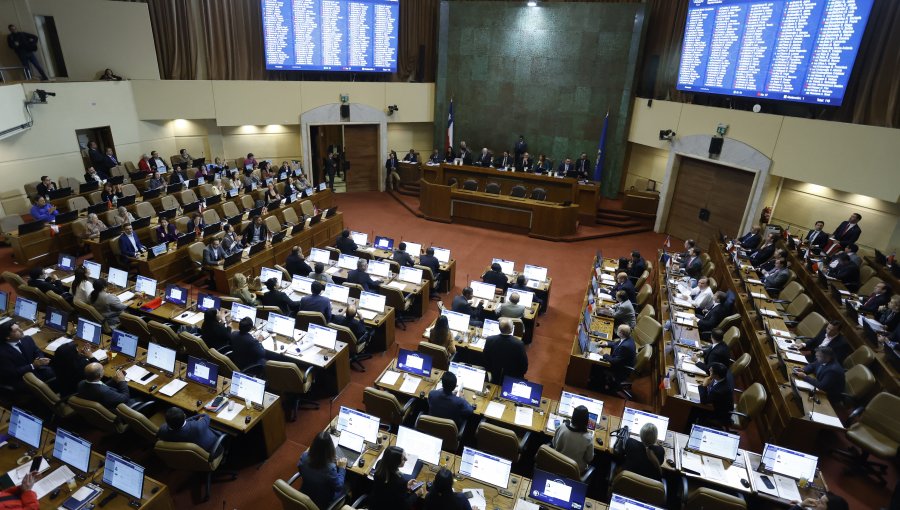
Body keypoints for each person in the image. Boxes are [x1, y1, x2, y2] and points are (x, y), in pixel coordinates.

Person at [297, 431, 347, 510]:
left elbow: (300, 469)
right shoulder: (330, 468)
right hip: (323, 501)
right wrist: (342, 468)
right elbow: (339, 487)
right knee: (347, 486)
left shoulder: (304, 456)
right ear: (330, 448)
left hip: (306, 491)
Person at [0, 322, 53, 391]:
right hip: (21, 379)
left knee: (55, 372)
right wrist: (33, 365)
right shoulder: (2, 353)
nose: (21, 330)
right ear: (8, 337)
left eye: (19, 327)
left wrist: (41, 359)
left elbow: (37, 351)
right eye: (16, 330)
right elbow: (13, 373)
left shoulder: (27, 339)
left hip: (36, 369)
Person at [368, 446, 421, 510]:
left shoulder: (380, 464)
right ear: (395, 463)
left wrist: (405, 486)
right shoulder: (400, 481)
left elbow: (390, 487)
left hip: (375, 504)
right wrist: (416, 494)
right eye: (403, 459)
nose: (406, 459)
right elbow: (404, 506)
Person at [551, 405, 594, 473]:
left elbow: (554, 443)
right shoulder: (588, 438)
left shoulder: (562, 427)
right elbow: (589, 459)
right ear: (587, 421)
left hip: (557, 465)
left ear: (573, 417)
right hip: (575, 472)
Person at [595, 324, 636, 391]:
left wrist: (604, 354)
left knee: (597, 364)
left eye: (618, 330)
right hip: (621, 361)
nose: (616, 331)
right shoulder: (627, 338)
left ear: (621, 333)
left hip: (621, 369)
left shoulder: (625, 347)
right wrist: (606, 344)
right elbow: (616, 344)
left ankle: (598, 385)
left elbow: (615, 361)